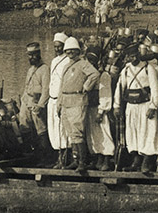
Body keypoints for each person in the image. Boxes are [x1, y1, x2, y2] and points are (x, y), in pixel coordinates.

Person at [116, 45, 158, 173]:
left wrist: (153, 106)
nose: (132, 58)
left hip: (145, 104)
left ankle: (147, 162)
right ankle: (136, 161)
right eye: (130, 56)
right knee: (133, 132)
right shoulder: (126, 70)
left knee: (148, 132)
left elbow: (154, 89)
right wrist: (116, 105)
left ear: (138, 54)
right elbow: (119, 88)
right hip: (131, 106)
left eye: (134, 55)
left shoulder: (149, 68)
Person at [57, 37, 99, 172]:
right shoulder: (65, 66)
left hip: (77, 100)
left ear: (77, 51)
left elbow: (94, 74)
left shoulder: (83, 64)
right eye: (67, 51)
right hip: (66, 101)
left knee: (77, 131)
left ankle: (82, 162)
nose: (70, 53)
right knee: (70, 132)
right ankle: (75, 160)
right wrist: (59, 103)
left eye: (72, 51)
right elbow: (61, 86)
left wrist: (86, 87)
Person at [83, 47, 116, 171]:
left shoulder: (103, 75)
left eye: (93, 60)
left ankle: (107, 158)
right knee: (92, 134)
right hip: (89, 107)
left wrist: (101, 111)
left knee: (103, 132)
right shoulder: (87, 76)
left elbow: (105, 94)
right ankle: (97, 158)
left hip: (99, 108)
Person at [20, 42, 51, 163]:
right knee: (24, 126)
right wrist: (23, 100)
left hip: (37, 101)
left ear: (39, 54)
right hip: (27, 100)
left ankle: (44, 157)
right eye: (29, 55)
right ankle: (30, 154)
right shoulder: (30, 69)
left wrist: (40, 105)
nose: (31, 57)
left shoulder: (44, 69)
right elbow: (26, 86)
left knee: (41, 129)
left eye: (34, 54)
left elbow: (46, 89)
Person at [43, 33, 70, 164]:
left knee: (62, 130)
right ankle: (58, 156)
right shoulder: (54, 61)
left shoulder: (67, 61)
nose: (57, 49)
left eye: (59, 47)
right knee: (53, 128)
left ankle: (64, 158)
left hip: (61, 99)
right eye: (55, 47)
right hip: (52, 99)